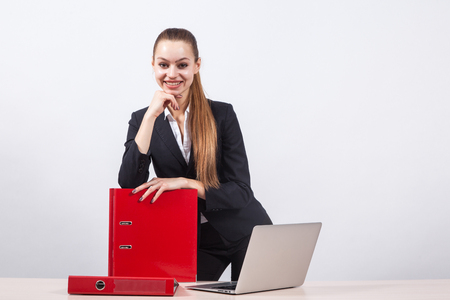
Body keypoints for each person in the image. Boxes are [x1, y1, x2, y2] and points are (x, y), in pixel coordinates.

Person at [118, 28, 272, 281]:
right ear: (153, 66)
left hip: (249, 233)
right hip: (194, 237)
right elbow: (128, 183)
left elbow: (241, 191)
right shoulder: (141, 119)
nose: (172, 74)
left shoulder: (222, 115)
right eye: (164, 65)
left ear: (196, 66)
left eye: (182, 65)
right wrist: (150, 117)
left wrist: (185, 183)